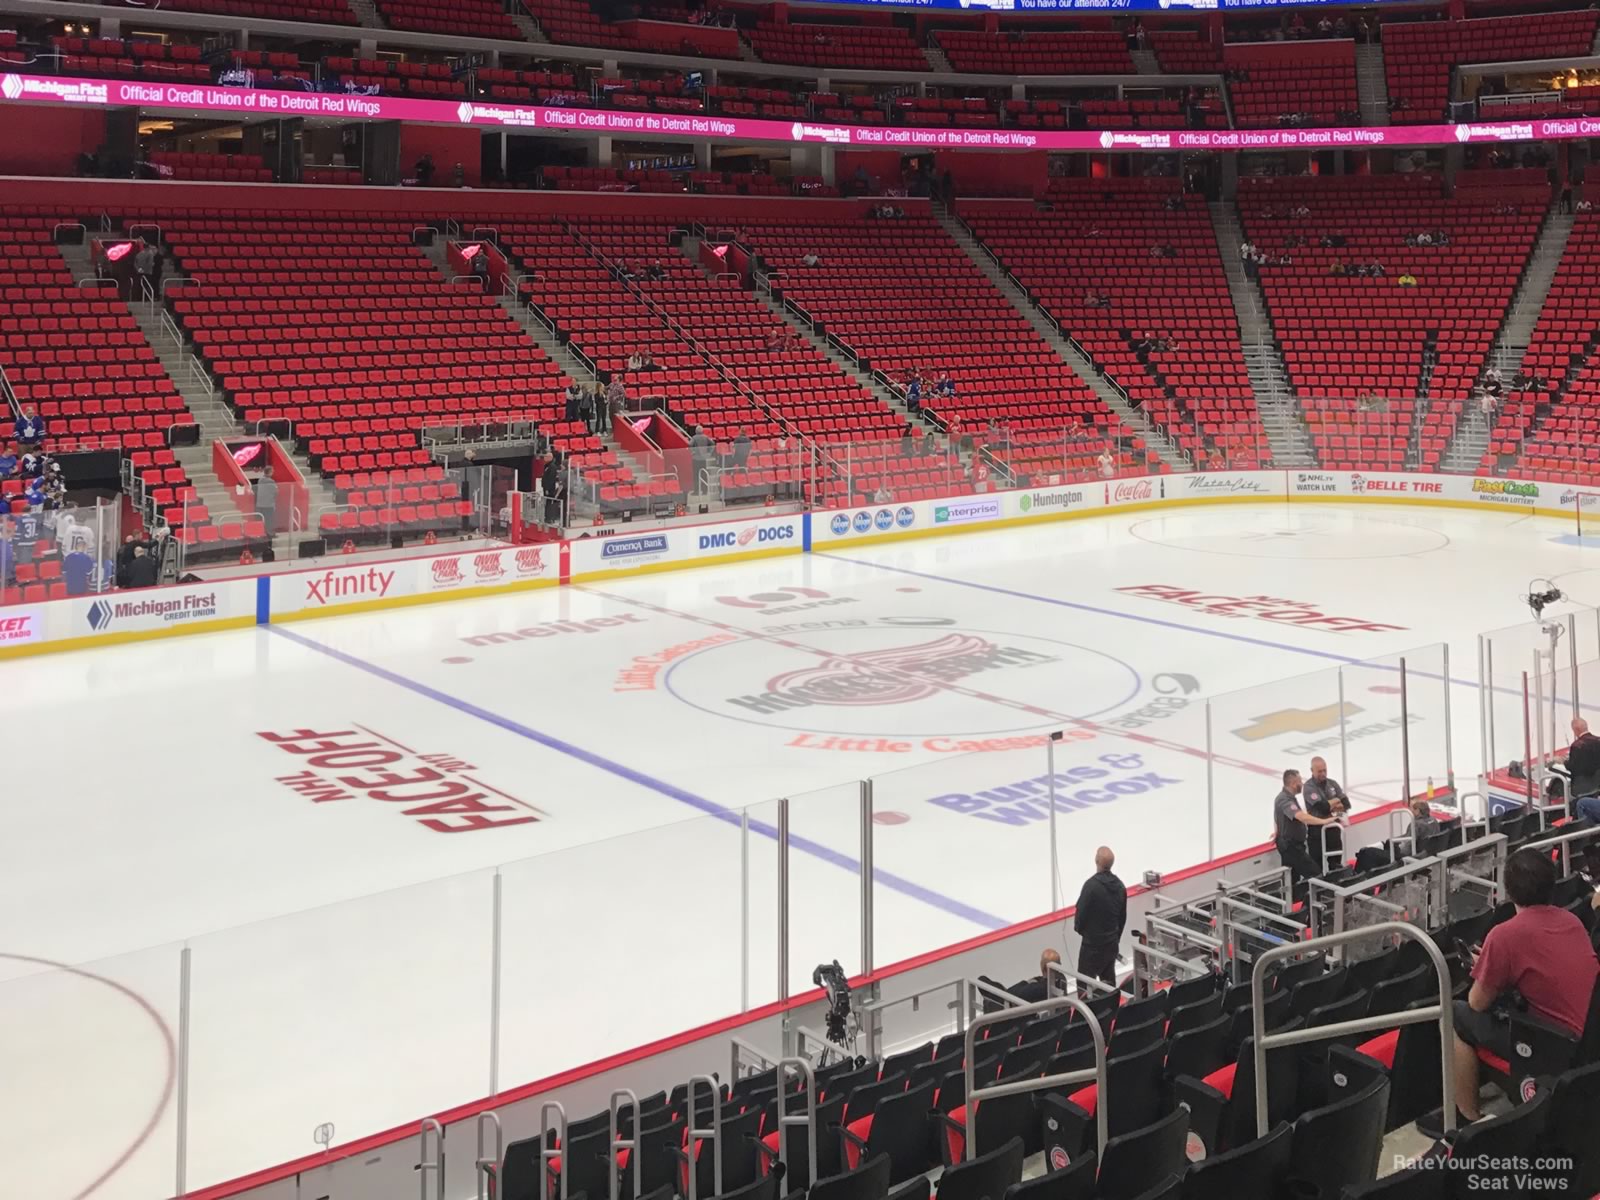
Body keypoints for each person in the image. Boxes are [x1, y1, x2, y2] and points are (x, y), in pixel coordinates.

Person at [1421, 848, 1600, 1136]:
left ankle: (1466, 1118)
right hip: (1591, 1034)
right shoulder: (1572, 921)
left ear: (1509, 890)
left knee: (1455, 1013)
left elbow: (1477, 1003)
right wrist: (1495, 966)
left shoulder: (1505, 935)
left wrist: (1490, 968)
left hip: (1559, 1044)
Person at [1274, 768, 1340, 884]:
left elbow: (1279, 816)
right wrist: (1323, 821)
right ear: (1294, 784)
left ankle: (1294, 899)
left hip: (1292, 845)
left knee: (1291, 879)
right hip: (1291, 847)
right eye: (1300, 781)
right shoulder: (1284, 799)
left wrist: (1278, 829)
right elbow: (1301, 816)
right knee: (1315, 875)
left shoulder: (1287, 798)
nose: (1302, 784)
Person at [1074, 846, 1127, 989]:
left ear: (1096, 860)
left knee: (1084, 985)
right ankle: (1110, 1008)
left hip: (1092, 946)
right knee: (1108, 982)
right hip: (1110, 944)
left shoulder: (1091, 886)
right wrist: (1115, 938)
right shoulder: (1120, 886)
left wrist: (1081, 931)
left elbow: (1081, 914)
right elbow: (1122, 918)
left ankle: (1086, 1010)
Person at [1303, 755, 1348, 866]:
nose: (1323, 773)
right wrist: (1337, 800)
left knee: (1336, 863)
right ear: (1312, 770)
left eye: (1325, 770)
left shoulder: (1332, 783)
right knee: (1317, 865)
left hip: (1333, 829)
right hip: (1317, 831)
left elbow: (1346, 804)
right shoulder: (1309, 787)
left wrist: (1331, 805)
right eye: (1319, 771)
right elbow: (1322, 807)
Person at [1567, 718, 1600, 817]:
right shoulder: (1598, 741)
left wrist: (1563, 762)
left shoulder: (1577, 745)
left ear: (1576, 730)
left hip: (1583, 787)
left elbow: (1574, 767)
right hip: (1596, 785)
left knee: (1581, 804)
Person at [254, 466, 278, 535]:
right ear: (269, 472)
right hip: (268, 505)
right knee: (269, 520)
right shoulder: (271, 481)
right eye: (272, 471)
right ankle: (270, 533)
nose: (273, 473)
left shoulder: (260, 480)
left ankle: (263, 533)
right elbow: (276, 492)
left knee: (262, 520)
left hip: (260, 504)